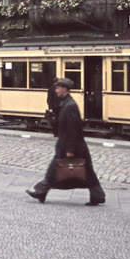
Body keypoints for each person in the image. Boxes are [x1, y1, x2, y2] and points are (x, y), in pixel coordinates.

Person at [27, 77, 105, 206]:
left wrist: (70, 150)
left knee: (64, 170)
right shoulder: (65, 104)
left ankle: (41, 191)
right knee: (83, 171)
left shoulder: (70, 106)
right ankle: (98, 196)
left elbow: (72, 129)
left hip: (71, 146)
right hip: (69, 145)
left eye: (58, 88)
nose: (56, 90)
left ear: (65, 89)